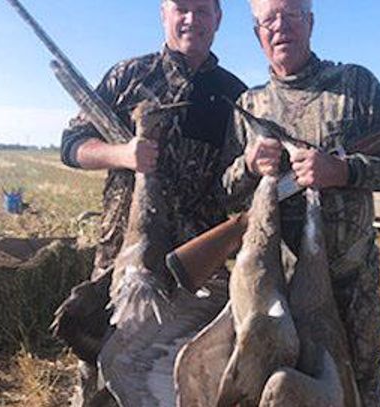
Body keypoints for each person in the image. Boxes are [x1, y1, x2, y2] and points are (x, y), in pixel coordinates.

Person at [222, 0, 380, 405]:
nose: (280, 27)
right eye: (268, 20)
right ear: (256, 34)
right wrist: (249, 165)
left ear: (310, 22)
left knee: (359, 391)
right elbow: (225, 191)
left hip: (350, 284)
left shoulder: (354, 85)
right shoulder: (249, 106)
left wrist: (343, 172)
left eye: (291, 14)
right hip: (272, 291)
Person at [56, 0, 246, 405]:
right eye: (181, 8)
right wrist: (122, 155)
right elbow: (70, 146)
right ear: (164, 13)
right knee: (101, 372)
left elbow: (239, 187)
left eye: (202, 9)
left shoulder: (235, 96)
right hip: (123, 262)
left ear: (218, 18)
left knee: (176, 377)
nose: (191, 19)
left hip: (194, 273)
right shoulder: (128, 77)